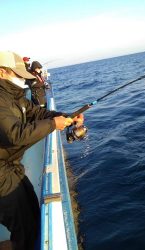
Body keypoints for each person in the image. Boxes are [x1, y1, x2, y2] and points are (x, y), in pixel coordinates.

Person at [0, 51, 84, 250]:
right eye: (18, 74)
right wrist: (53, 124)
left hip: (10, 166)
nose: (22, 78)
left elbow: (36, 112)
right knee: (25, 227)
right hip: (2, 174)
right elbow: (15, 134)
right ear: (2, 72)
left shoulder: (14, 95)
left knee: (31, 212)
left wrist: (66, 116)